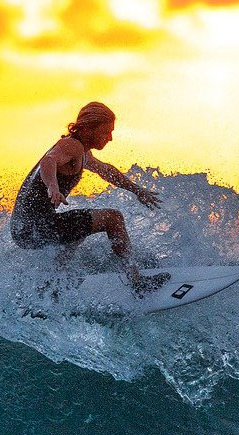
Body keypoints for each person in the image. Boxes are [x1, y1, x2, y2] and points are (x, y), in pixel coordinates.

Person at [10, 102, 170, 293]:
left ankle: (50, 287)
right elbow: (48, 160)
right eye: (106, 132)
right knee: (113, 218)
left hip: (24, 229)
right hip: (35, 227)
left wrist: (137, 190)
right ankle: (137, 282)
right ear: (88, 129)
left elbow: (106, 171)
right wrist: (52, 185)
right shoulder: (72, 145)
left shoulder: (82, 152)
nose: (110, 138)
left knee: (80, 230)